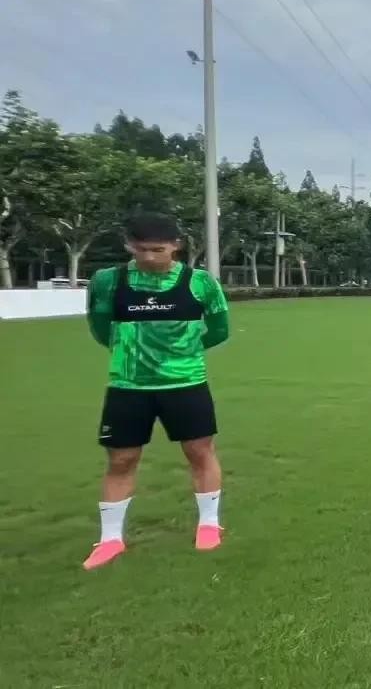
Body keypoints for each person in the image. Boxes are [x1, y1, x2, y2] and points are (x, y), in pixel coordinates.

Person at [81, 213, 231, 570]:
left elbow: (219, 328)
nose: (149, 257)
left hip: (186, 383)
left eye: (158, 250)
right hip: (128, 385)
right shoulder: (108, 281)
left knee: (200, 452)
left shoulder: (200, 283)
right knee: (121, 459)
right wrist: (128, 353)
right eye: (141, 249)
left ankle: (209, 525)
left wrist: (185, 354)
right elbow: (100, 327)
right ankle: (110, 539)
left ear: (176, 246)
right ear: (128, 246)